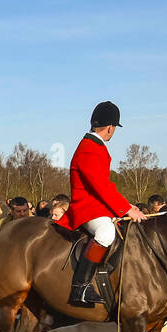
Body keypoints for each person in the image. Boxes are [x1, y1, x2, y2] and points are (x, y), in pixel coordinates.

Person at [66, 101, 148, 306]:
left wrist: (129, 206)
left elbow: (105, 186)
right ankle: (80, 288)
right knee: (106, 233)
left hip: (97, 205)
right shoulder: (90, 148)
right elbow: (100, 185)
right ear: (111, 127)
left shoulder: (94, 145)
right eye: (114, 129)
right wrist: (127, 208)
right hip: (86, 207)